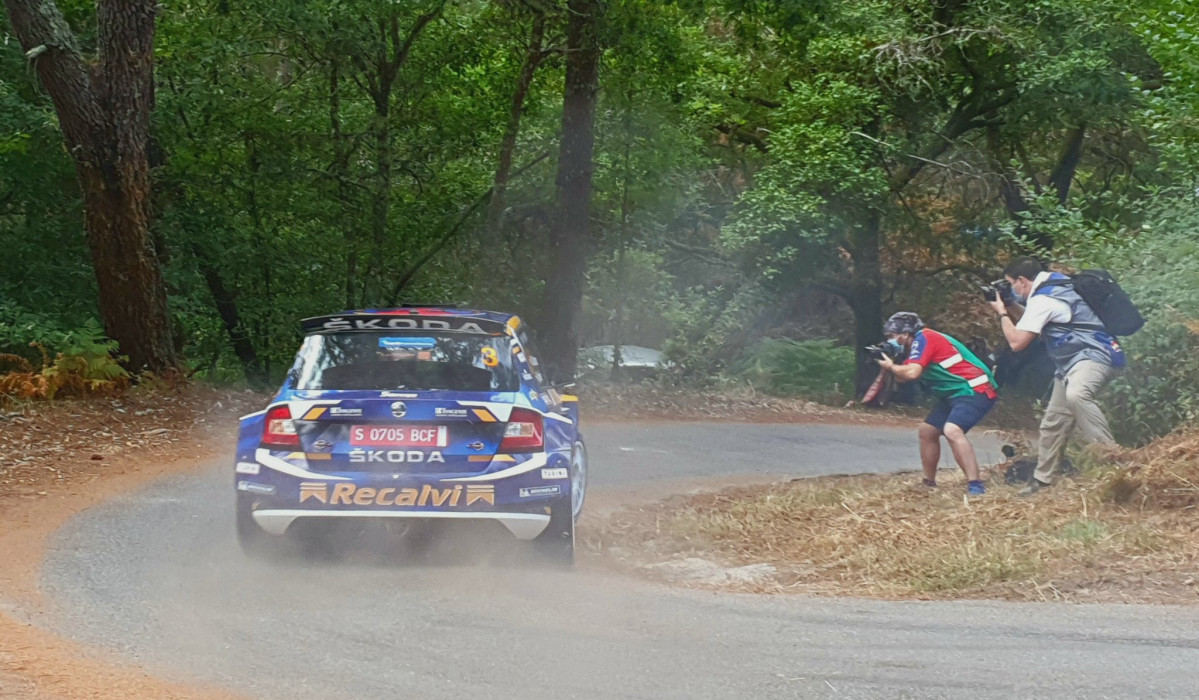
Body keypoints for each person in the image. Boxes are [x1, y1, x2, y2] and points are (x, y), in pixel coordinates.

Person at [988, 256, 1125, 495]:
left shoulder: (1044, 299)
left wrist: (1001, 313)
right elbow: (1034, 323)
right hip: (1075, 361)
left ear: (1022, 281)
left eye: (1011, 284)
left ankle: (1113, 457)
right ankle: (1043, 480)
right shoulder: (1058, 285)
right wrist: (1010, 305)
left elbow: (1017, 342)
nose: (1011, 289)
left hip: (1091, 356)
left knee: (1077, 394)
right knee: (1054, 422)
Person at [875, 312, 998, 495]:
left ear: (905, 333)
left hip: (975, 389)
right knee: (927, 431)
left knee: (952, 430)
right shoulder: (913, 348)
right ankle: (928, 483)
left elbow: (912, 374)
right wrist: (893, 361)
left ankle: (975, 485)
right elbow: (902, 379)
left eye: (893, 337)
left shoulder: (924, 338)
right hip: (954, 393)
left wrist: (891, 367)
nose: (891, 341)